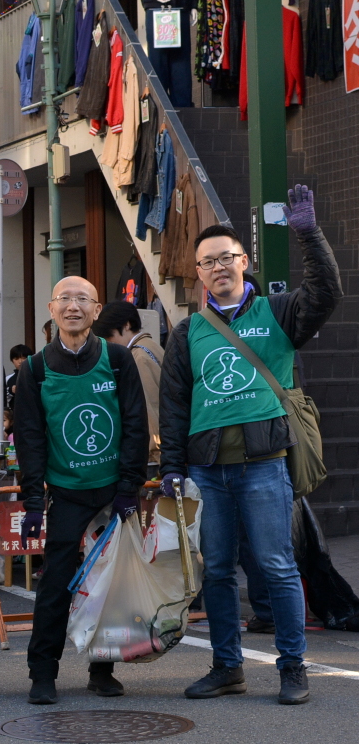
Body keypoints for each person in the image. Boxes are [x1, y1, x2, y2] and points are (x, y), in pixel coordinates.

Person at [159, 186, 341, 706]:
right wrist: (173, 465)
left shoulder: (280, 312)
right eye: (207, 262)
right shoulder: (188, 331)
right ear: (198, 273)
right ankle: (227, 667)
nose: (218, 267)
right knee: (215, 571)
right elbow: (173, 405)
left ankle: (292, 666)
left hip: (265, 466)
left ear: (243, 261)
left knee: (277, 565)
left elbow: (326, 294)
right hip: (209, 471)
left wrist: (308, 233)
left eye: (226, 258)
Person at [13, 276, 148, 704]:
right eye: (65, 299)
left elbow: (135, 426)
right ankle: (42, 673)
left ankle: (102, 669)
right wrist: (33, 502)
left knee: (110, 585)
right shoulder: (34, 369)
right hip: (66, 493)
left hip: (112, 492)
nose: (74, 307)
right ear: (51, 310)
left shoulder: (118, 360)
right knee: (55, 585)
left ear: (96, 311)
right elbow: (29, 440)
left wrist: (129, 487)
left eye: (83, 300)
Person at [94, 302, 164, 471]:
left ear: (126, 325)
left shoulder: (138, 357)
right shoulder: (151, 346)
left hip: (153, 459)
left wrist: (156, 454)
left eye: (109, 337)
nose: (109, 343)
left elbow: (149, 408)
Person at [5, 344, 34, 416]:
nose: (20, 361)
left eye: (23, 358)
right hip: (16, 416)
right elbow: (2, 399)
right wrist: (11, 391)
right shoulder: (9, 379)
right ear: (12, 361)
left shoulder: (36, 376)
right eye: (16, 359)